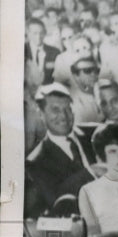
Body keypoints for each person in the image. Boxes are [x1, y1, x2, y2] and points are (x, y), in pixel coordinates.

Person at [25, 83, 97, 218]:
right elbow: (56, 198)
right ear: (41, 114)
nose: (63, 116)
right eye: (55, 110)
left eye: (67, 108)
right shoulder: (35, 161)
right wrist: (91, 172)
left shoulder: (95, 133)